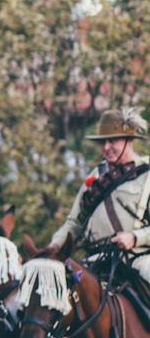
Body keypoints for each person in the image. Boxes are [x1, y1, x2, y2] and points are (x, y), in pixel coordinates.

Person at [48, 108, 150, 287]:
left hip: (137, 259)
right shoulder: (96, 176)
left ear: (129, 140)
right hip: (95, 261)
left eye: (113, 141)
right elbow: (74, 223)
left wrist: (135, 238)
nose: (106, 147)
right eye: (103, 142)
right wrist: (54, 246)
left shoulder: (147, 175)